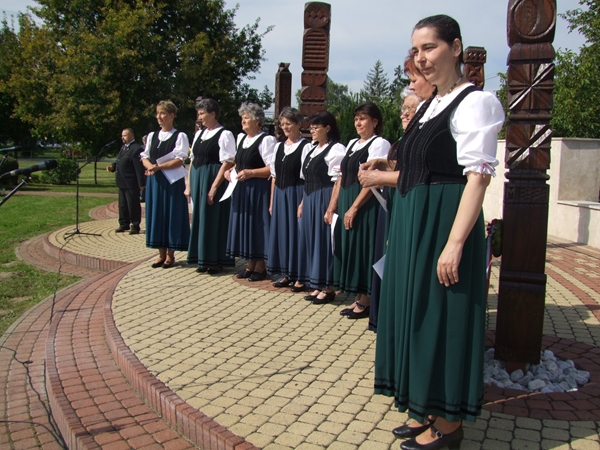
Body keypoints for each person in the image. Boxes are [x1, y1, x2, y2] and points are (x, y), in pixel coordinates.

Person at [373, 15, 504, 450]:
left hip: (443, 224)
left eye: (429, 47)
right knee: (416, 316)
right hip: (415, 223)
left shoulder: (475, 102)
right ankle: (425, 407)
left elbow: (477, 178)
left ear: (456, 47)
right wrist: (386, 168)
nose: (421, 58)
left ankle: (448, 427)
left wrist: (455, 243)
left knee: (441, 318)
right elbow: (422, 166)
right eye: (416, 50)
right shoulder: (431, 103)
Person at [326, 102, 390, 316]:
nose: (358, 123)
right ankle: (357, 297)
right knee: (351, 248)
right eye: (356, 119)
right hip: (347, 198)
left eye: (363, 119)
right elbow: (342, 176)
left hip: (365, 204)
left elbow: (373, 180)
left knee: (364, 248)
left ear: (375, 121)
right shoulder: (352, 143)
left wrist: (354, 207)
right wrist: (333, 205)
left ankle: (367, 300)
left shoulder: (379, 144)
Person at [294, 112, 346, 303]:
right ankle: (317, 283)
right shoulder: (311, 149)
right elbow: (306, 179)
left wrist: (331, 207)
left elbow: (338, 180)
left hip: (324, 197)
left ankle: (328, 287)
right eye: (311, 127)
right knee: (311, 240)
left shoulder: (336, 149)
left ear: (328, 128)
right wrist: (302, 203)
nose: (312, 131)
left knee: (324, 241)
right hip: (309, 198)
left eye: (316, 127)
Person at [225, 103, 276, 282]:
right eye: (242, 118)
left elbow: (271, 168)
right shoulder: (241, 138)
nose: (243, 121)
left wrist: (251, 173)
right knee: (246, 225)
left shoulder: (266, 140)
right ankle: (250, 265)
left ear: (257, 121)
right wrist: (230, 171)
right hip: (242, 189)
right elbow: (240, 163)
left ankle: (260, 267)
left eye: (246, 118)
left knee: (257, 225)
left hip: (258, 189)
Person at [185, 98, 236, 274]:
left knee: (214, 219)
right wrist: (189, 185)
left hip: (213, 179)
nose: (199, 117)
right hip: (198, 178)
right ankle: (202, 258)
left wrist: (214, 187)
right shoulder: (199, 134)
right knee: (200, 218)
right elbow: (192, 160)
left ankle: (216, 260)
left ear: (213, 114)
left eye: (202, 113)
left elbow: (227, 162)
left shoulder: (224, 134)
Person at [141, 100, 191, 269]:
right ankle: (160, 254)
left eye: (162, 113)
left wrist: (159, 167)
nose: (159, 117)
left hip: (172, 181)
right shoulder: (152, 136)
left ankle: (171, 254)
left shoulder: (180, 136)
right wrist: (150, 167)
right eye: (157, 113)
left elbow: (180, 159)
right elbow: (145, 156)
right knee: (157, 214)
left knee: (171, 214)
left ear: (171, 115)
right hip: (155, 181)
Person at [268, 107, 309, 287]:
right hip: (280, 194)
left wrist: (303, 202)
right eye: (282, 124)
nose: (285, 127)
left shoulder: (306, 147)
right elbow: (274, 177)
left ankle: (300, 275)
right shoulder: (278, 147)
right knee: (282, 234)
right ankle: (286, 272)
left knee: (296, 235)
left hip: (296, 193)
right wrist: (272, 201)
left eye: (289, 123)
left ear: (299, 124)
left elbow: (308, 178)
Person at [107, 128, 146, 234]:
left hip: (131, 183)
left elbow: (139, 168)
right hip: (122, 182)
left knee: (132, 205)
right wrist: (113, 167)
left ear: (131, 136)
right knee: (122, 205)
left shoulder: (136, 148)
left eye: (124, 135)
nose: (122, 137)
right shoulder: (123, 147)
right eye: (122, 135)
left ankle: (135, 225)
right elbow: (119, 161)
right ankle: (124, 224)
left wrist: (141, 183)